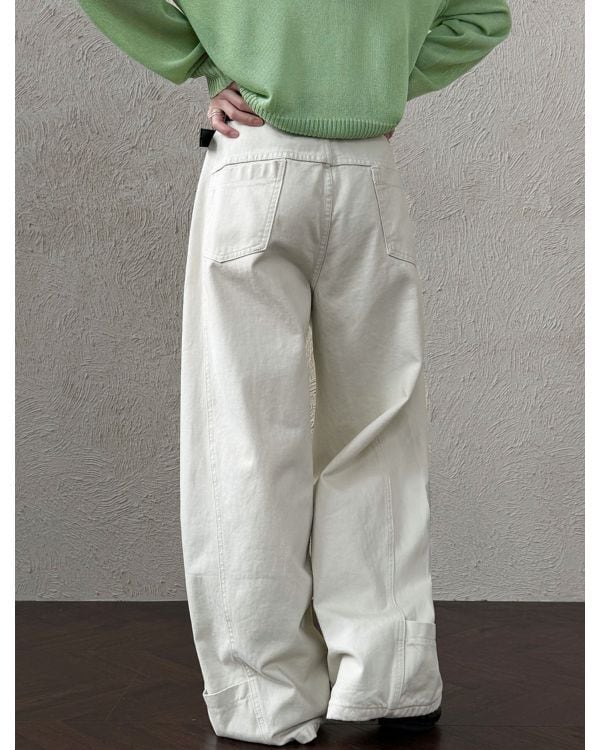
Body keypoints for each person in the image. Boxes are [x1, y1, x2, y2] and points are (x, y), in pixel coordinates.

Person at [76, 1, 512, 745]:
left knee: (246, 437)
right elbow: (481, 16)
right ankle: (391, 678)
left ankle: (264, 696)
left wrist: (206, 61)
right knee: (378, 430)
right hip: (368, 168)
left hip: (254, 156)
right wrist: (377, 81)